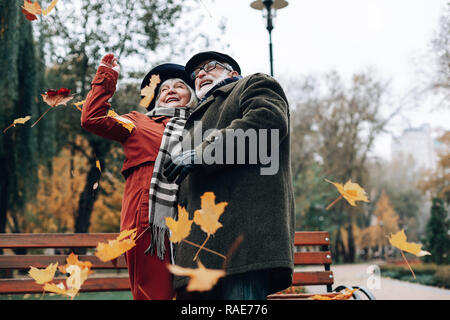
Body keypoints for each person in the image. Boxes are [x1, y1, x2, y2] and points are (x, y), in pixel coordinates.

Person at [163, 51, 295, 299]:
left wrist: (201, 153)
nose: (200, 74)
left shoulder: (254, 84)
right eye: (195, 73)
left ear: (232, 72)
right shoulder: (192, 119)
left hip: (241, 248)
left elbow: (267, 123)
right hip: (195, 259)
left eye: (210, 66)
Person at [80, 53, 197, 300]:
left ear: (192, 96)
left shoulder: (204, 126)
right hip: (150, 224)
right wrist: (106, 77)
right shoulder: (139, 123)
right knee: (154, 295)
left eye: (179, 86)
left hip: (195, 221)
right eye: (164, 88)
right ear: (156, 97)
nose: (171, 90)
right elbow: (93, 118)